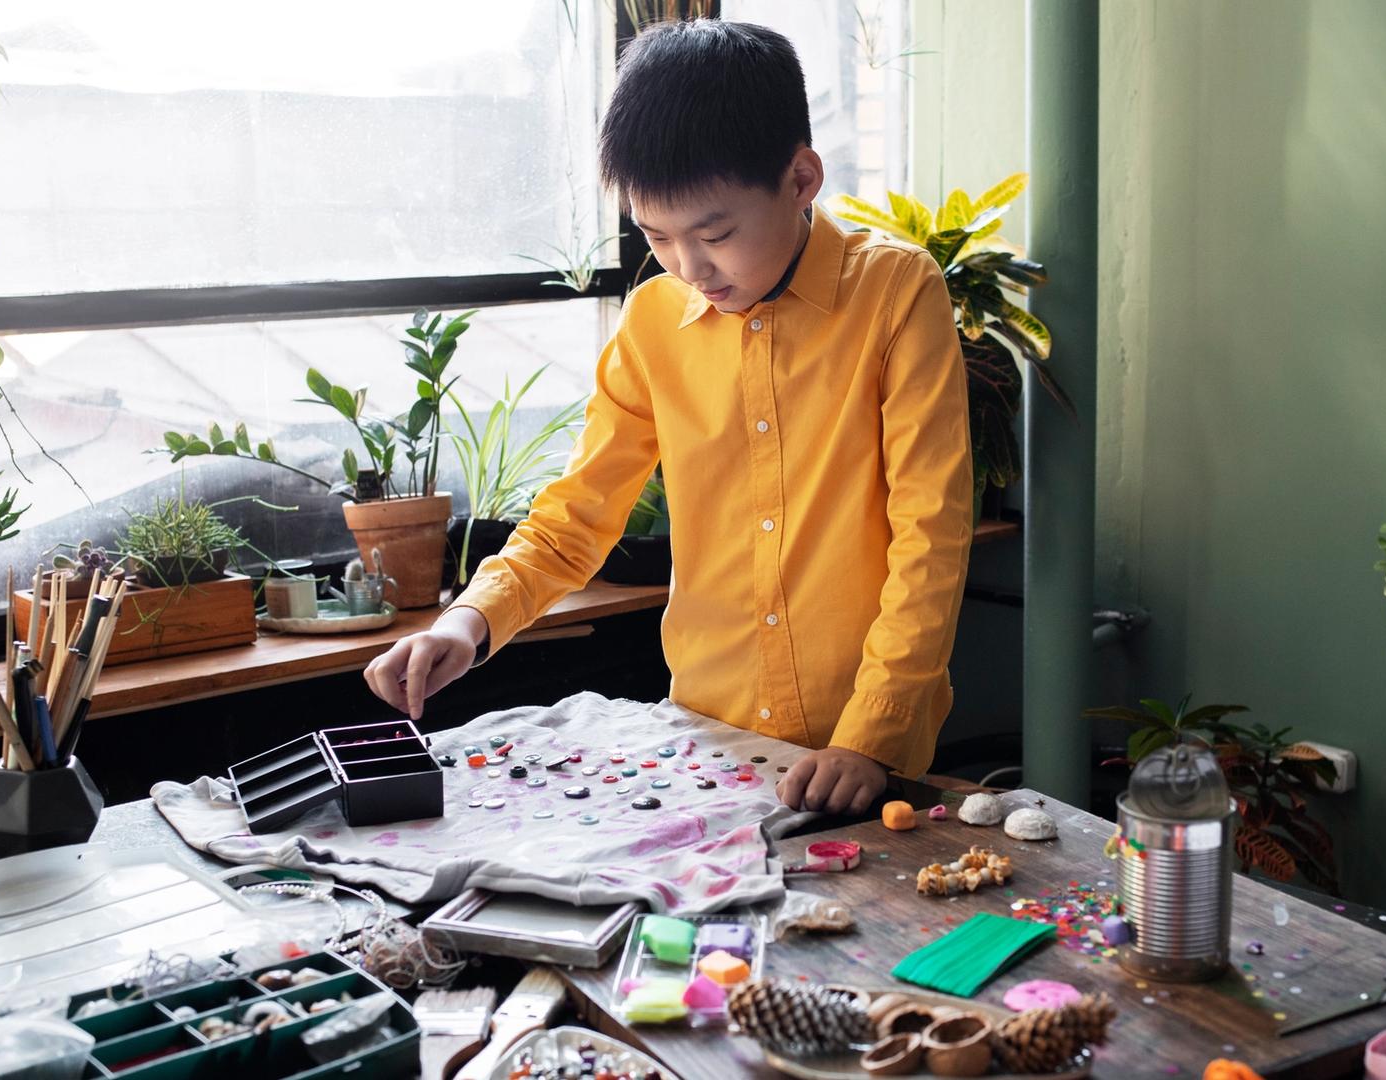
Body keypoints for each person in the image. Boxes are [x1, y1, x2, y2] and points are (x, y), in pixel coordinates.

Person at [366, 18, 972, 815]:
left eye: (715, 234)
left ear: (800, 179)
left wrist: (871, 733)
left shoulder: (894, 293)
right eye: (658, 237)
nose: (691, 268)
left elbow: (930, 534)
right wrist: (470, 620)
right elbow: (579, 514)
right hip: (707, 742)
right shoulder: (654, 322)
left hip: (861, 755)